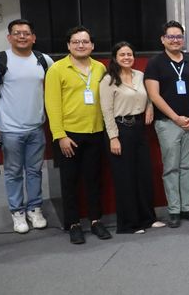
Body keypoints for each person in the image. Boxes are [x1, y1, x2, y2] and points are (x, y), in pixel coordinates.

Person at [0, 19, 53, 234]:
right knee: (13, 171)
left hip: (36, 127)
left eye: (26, 33)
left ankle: (34, 208)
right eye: (16, 33)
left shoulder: (44, 60)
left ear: (33, 37)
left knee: (34, 171)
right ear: (9, 37)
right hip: (10, 129)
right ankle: (17, 212)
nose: (21, 36)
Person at [44, 26, 111, 244]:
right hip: (69, 135)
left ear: (92, 45)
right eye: (76, 42)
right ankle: (72, 223)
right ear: (68, 45)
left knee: (93, 180)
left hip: (95, 131)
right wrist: (60, 135)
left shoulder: (100, 68)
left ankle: (95, 221)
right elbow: (52, 105)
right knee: (69, 182)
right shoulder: (57, 69)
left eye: (84, 42)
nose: (80, 45)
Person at [99, 42, 165, 234]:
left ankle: (148, 218)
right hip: (120, 130)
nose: (127, 57)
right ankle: (129, 224)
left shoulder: (140, 75)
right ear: (115, 58)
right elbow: (106, 111)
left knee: (144, 175)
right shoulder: (108, 80)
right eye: (122, 54)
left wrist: (150, 106)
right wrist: (113, 137)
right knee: (125, 179)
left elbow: (148, 96)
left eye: (129, 54)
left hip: (139, 130)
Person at [145, 20, 189, 228]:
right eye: (170, 36)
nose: (175, 40)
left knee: (187, 167)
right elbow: (154, 95)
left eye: (178, 36)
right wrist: (175, 117)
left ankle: (187, 207)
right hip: (168, 123)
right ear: (163, 40)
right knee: (171, 167)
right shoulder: (155, 63)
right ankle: (173, 210)